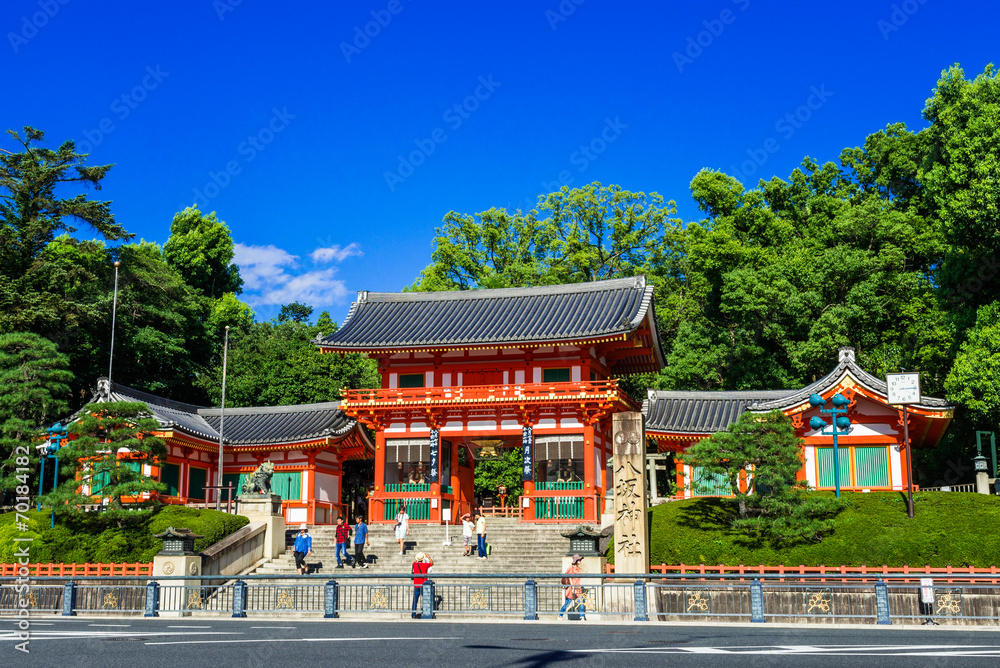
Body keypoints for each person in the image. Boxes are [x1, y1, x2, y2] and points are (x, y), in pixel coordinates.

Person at [558, 554, 586, 620]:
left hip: (577, 588)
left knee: (581, 603)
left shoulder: (578, 568)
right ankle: (560, 615)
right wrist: (573, 587)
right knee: (567, 604)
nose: (580, 561)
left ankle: (582, 617)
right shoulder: (571, 568)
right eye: (579, 560)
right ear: (576, 560)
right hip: (572, 588)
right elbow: (570, 577)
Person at [410, 551, 434, 618]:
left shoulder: (415, 565)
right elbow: (432, 563)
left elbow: (413, 562)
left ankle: (413, 614)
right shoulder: (424, 565)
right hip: (423, 584)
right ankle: (427, 612)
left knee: (415, 600)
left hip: (416, 584)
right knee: (426, 599)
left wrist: (417, 558)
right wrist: (428, 556)